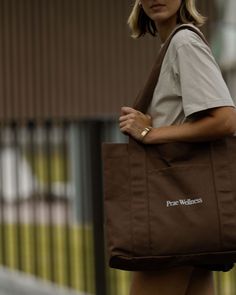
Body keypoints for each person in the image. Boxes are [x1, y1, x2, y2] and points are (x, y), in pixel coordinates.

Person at [119, 0, 236, 294]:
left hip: (175, 208)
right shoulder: (174, 45)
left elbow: (224, 120)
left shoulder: (184, 43)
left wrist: (149, 133)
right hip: (189, 206)